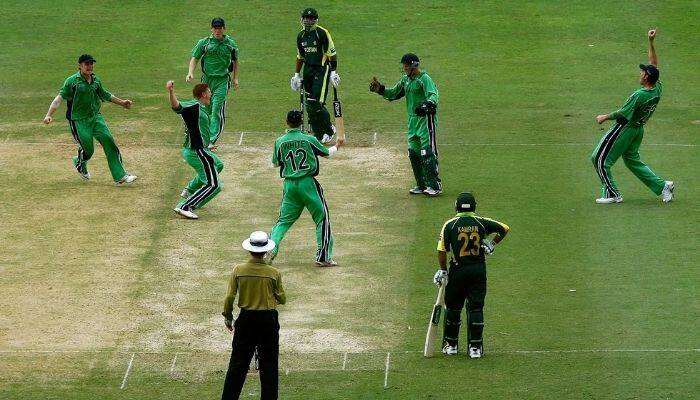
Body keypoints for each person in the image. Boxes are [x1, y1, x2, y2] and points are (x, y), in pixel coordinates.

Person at [591, 29, 674, 204]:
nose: (640, 73)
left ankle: (613, 194)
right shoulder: (657, 87)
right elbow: (654, 63)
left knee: (599, 159)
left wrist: (604, 117)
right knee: (632, 162)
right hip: (638, 130)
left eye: (643, 72)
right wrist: (651, 42)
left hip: (625, 129)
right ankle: (663, 186)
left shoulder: (639, 95)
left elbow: (622, 113)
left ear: (646, 77)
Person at [435, 192, 509, 359]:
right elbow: (504, 228)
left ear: (456, 207)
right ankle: (475, 348)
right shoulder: (481, 223)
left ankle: (451, 345)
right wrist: (492, 243)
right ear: (474, 206)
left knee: (453, 308)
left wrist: (443, 270)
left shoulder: (450, 225)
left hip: (458, 271)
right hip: (477, 271)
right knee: (475, 308)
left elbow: (441, 250)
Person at [43, 54, 137, 185]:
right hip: (78, 120)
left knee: (109, 140)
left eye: (91, 64)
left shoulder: (95, 80)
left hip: (95, 117)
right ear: (80, 66)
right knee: (88, 150)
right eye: (86, 64)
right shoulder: (72, 82)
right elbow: (59, 99)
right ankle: (79, 162)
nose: (90, 66)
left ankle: (120, 176)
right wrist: (49, 115)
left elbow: (105, 95)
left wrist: (122, 103)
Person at [267, 110, 341, 267]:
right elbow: (327, 154)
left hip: (289, 185)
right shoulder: (309, 139)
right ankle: (323, 257)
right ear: (301, 122)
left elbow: (274, 164)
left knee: (283, 221)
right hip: (308, 184)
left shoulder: (279, 141)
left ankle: (270, 249)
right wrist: (338, 146)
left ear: (286, 121)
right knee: (322, 218)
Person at [222, 231, 286, 400]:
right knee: (269, 365)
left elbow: (229, 297)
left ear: (249, 250)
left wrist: (228, 316)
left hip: (246, 320)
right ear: (265, 251)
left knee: (237, 364)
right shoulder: (273, 273)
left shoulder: (238, 270)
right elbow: (282, 298)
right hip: (268, 321)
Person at [369, 53, 441, 196]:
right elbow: (394, 93)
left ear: (414, 65)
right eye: (404, 66)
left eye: (407, 66)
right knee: (413, 153)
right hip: (412, 122)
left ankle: (434, 185)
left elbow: (433, 95)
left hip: (425, 120)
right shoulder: (405, 80)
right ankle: (421, 185)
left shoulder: (424, 79)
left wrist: (427, 104)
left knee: (427, 152)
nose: (405, 69)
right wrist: (380, 89)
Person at [166, 80, 224, 220]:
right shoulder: (194, 105)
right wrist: (171, 91)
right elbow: (176, 106)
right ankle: (185, 206)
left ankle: (190, 190)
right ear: (203, 94)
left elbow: (198, 130)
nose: (211, 94)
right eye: (209, 92)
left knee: (218, 165)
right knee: (214, 185)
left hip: (201, 148)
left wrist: (207, 144)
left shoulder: (202, 108)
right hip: (196, 152)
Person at [187, 17, 240, 148]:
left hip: (222, 80)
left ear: (224, 29)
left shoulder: (230, 44)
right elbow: (195, 58)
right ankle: (204, 136)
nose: (217, 31)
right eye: (215, 28)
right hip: (206, 80)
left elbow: (235, 61)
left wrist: (235, 78)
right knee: (206, 109)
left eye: (220, 28)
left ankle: (211, 140)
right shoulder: (204, 43)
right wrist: (190, 72)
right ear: (211, 29)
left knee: (216, 109)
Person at [290, 7, 340, 143]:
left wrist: (334, 71)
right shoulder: (300, 36)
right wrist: (296, 75)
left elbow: (332, 53)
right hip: (308, 71)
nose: (308, 21)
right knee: (309, 104)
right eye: (306, 18)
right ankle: (319, 135)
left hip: (322, 70)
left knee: (316, 102)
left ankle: (329, 129)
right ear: (302, 19)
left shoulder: (322, 33)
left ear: (316, 20)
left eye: (311, 19)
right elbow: (300, 56)